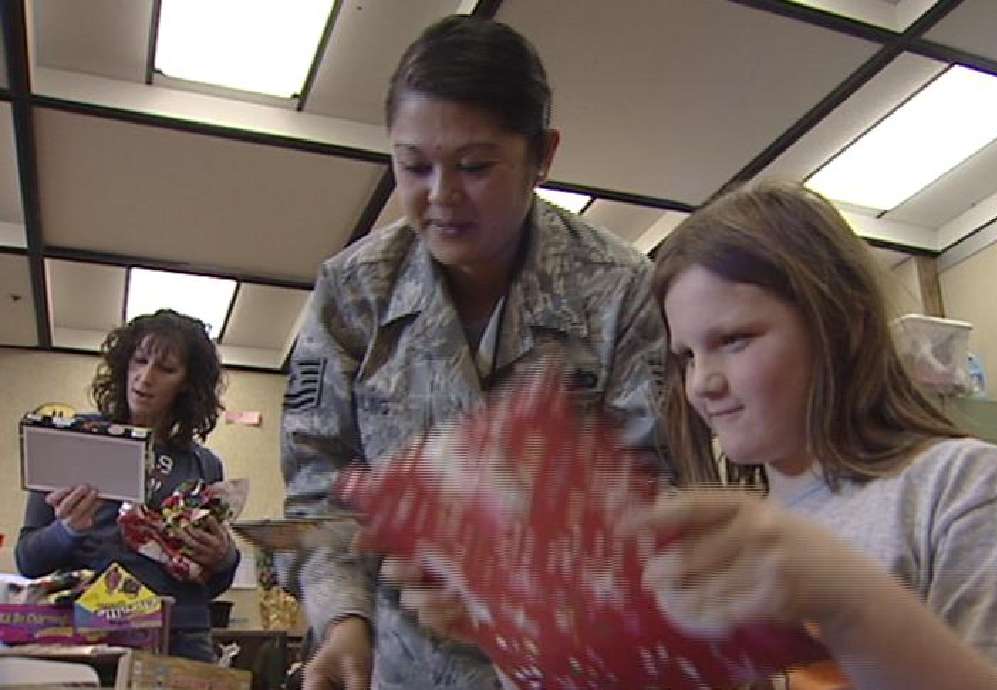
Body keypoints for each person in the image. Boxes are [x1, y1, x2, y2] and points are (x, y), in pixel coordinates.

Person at [278, 14, 665, 690]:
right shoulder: (355, 291)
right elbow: (319, 487)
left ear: (543, 154)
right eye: (413, 166)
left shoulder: (620, 290)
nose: (441, 196)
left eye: (476, 166)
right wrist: (344, 625)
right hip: (395, 668)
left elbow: (651, 500)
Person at [624, 182, 997, 690]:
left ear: (841, 324)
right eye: (687, 356)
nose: (702, 384)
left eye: (734, 340)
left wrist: (852, 604)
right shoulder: (727, 547)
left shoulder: (957, 489)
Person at [16, 309, 239, 663]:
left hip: (180, 635)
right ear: (124, 364)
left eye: (166, 369)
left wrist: (223, 557)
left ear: (186, 383)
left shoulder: (204, 464)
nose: (145, 378)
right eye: (139, 360)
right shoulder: (72, 439)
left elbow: (210, 584)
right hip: (88, 632)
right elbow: (27, 561)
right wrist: (68, 529)